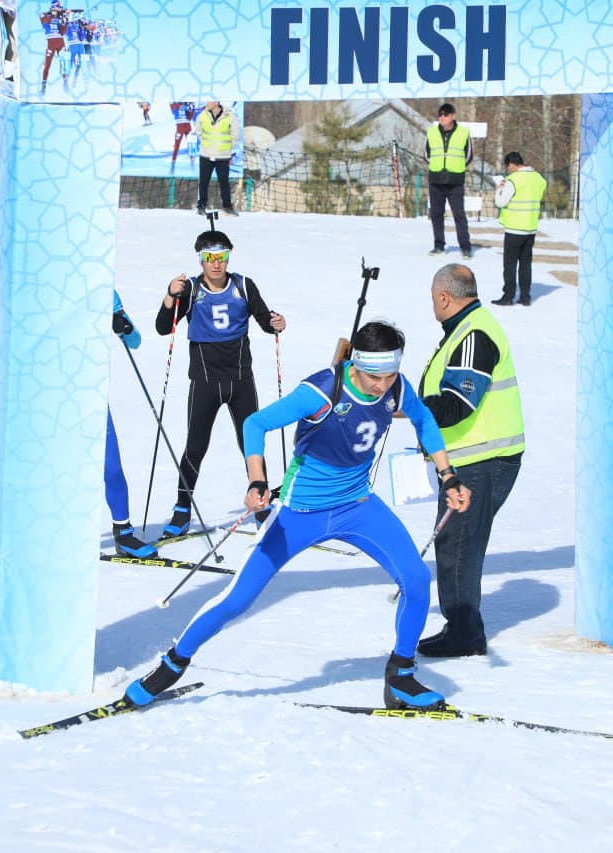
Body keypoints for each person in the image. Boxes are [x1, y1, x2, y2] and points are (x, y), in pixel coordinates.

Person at [124, 322, 473, 710]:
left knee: (417, 578)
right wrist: (258, 480)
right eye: (376, 377)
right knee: (237, 600)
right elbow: (255, 423)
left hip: (356, 506)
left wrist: (448, 474)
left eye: (391, 375)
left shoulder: (397, 387)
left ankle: (401, 677)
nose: (384, 385)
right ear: (355, 364)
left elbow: (424, 419)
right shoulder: (322, 391)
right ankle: (172, 665)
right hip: (299, 512)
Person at [416, 264, 525, 657]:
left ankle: (464, 634)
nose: (433, 305)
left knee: (458, 543)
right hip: (475, 457)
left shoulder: (474, 334)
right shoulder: (466, 329)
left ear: (444, 297)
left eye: (433, 299)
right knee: (457, 540)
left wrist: (411, 408)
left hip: (483, 459)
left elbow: (458, 404)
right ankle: (461, 626)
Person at [155, 230, 286, 537]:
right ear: (201, 259)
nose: (216, 264)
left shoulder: (243, 284)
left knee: (250, 445)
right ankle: (182, 510)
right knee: (196, 446)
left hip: (241, 381)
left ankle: (262, 506)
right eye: (209, 258)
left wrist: (277, 323)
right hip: (204, 382)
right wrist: (171, 295)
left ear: (229, 255)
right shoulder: (191, 289)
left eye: (222, 257)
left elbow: (265, 320)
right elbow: (163, 328)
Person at [108, 292, 158, 558]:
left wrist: (121, 324)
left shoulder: (101, 286)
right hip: (43, 396)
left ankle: (124, 535)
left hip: (88, 396)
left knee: (111, 466)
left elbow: (135, 341)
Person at [492, 152, 548, 307]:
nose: (508, 170)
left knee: (510, 265)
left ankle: (508, 296)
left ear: (511, 164)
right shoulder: (538, 178)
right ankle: (525, 296)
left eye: (508, 167)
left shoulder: (513, 180)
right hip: (530, 228)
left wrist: (498, 189)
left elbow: (501, 202)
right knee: (525, 264)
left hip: (514, 228)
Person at [425, 103, 474, 259]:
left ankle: (465, 247)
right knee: (436, 214)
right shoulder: (431, 132)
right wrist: (437, 167)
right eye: (440, 114)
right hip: (436, 180)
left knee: (459, 215)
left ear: (453, 115)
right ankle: (439, 245)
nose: (442, 117)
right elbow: (426, 154)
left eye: (445, 114)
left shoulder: (463, 133)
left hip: (455, 181)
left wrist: (456, 168)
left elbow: (469, 156)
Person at [195, 100, 241, 216]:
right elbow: (199, 132)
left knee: (224, 182)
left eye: (209, 100)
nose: (206, 103)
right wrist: (207, 146)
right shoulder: (202, 116)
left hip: (223, 156)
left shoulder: (230, 116)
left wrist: (226, 148)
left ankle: (227, 206)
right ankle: (201, 206)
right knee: (203, 182)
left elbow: (235, 136)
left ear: (216, 102)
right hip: (206, 154)